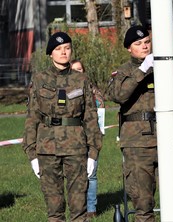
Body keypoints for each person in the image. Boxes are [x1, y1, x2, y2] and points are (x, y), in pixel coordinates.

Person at [23, 32, 102, 222]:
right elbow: (32, 117)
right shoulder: (40, 79)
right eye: (58, 49)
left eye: (67, 47)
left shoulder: (81, 80)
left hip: (76, 148)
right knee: (54, 209)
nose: (63, 52)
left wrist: (93, 152)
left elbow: (90, 117)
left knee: (79, 208)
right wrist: (31, 153)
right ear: (51, 53)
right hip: (47, 148)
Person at [105, 25, 157, 221]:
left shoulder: (160, 66)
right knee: (143, 203)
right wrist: (142, 71)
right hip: (137, 143)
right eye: (138, 44)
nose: (144, 46)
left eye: (146, 42)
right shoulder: (123, 72)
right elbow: (118, 95)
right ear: (129, 48)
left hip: (165, 137)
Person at [70, 59, 104, 219]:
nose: (77, 72)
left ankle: (91, 208)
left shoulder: (93, 91)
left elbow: (100, 109)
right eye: (74, 70)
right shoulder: (65, 89)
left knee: (91, 174)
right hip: (72, 138)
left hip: (91, 137)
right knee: (75, 173)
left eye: (80, 69)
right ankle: (77, 206)